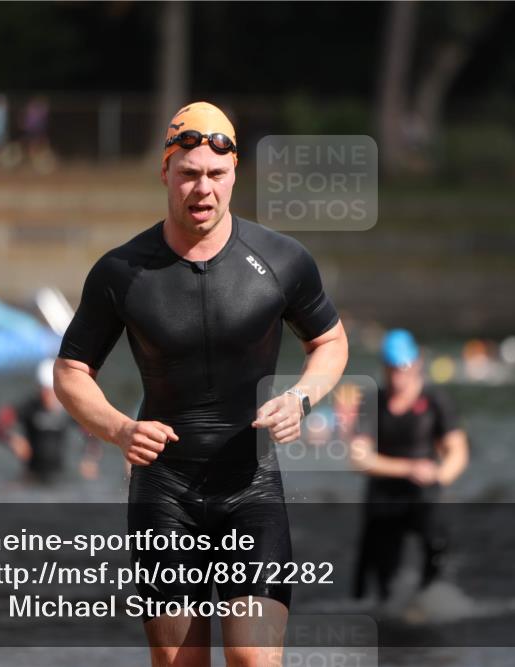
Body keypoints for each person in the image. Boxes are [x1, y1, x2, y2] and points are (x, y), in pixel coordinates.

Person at [53, 101, 348, 667]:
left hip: (252, 488)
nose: (202, 189)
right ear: (166, 172)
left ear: (235, 173)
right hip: (164, 491)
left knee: (253, 659)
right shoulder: (122, 271)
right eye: (188, 173)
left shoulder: (282, 260)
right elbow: (70, 372)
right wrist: (118, 428)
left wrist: (301, 397)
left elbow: (330, 342)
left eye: (216, 174)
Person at [350, 329, 469, 602]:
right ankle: (386, 610)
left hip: (424, 492)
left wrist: (440, 476)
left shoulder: (436, 401)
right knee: (380, 571)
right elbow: (358, 457)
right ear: (384, 367)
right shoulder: (372, 401)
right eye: (392, 369)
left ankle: (428, 600)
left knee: (436, 546)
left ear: (416, 364)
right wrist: (409, 468)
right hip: (384, 494)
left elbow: (457, 450)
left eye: (403, 368)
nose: (398, 375)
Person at [0, 359, 102, 484]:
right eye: (45, 391)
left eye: (52, 391)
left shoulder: (67, 408)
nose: (48, 396)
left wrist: (89, 460)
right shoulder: (30, 406)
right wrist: (13, 440)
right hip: (32, 474)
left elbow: (92, 432)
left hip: (58, 476)